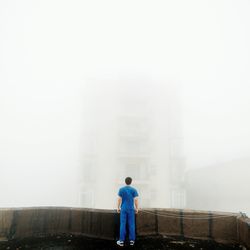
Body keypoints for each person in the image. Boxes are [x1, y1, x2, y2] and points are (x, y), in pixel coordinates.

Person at [116, 177, 139, 247]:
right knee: (131, 224)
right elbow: (136, 200)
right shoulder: (134, 190)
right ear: (131, 182)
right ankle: (132, 240)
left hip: (123, 209)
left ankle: (121, 241)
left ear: (125, 181)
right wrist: (137, 208)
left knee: (122, 224)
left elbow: (119, 199)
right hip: (131, 209)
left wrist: (118, 207)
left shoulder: (121, 189)